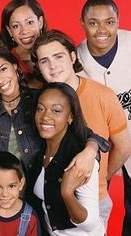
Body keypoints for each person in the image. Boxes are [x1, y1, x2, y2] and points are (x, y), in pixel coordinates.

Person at [0, 45, 109, 236]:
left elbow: (83, 132)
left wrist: (90, 150)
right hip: (0, 205)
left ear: (14, 66)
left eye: (3, 69)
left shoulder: (40, 102)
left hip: (41, 205)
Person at [31, 29, 131, 229]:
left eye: (58, 57)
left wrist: (100, 177)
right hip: (48, 202)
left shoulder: (103, 95)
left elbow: (123, 147)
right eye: (44, 61)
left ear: (72, 56)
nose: (52, 66)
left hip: (92, 202)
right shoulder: (39, 100)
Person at [77, 1, 131, 235]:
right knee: (93, 211)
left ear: (118, 21)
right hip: (97, 147)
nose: (102, 30)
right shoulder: (74, 57)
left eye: (109, 22)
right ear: (82, 24)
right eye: (93, 23)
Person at [30, 82, 104, 235]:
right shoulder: (39, 150)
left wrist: (67, 193)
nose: (45, 117)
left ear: (70, 117)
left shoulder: (81, 159)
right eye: (40, 109)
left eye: (56, 110)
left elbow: (90, 224)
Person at [0, 0, 47, 89]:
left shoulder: (55, 50)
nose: (24, 31)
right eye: (16, 26)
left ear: (40, 22)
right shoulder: (6, 62)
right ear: (10, 31)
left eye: (30, 22)